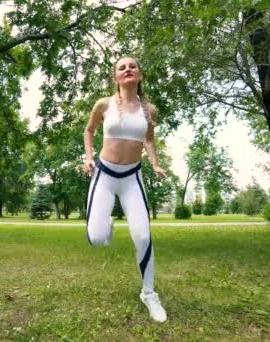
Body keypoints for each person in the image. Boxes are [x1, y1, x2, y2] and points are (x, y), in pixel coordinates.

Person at [83, 56, 168, 322]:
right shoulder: (104, 104)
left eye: (132, 66)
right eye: (122, 67)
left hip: (132, 178)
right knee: (97, 238)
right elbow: (89, 130)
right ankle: (106, 224)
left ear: (139, 74)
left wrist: (155, 164)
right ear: (115, 77)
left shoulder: (148, 110)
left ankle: (149, 293)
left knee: (143, 237)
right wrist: (88, 157)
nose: (127, 69)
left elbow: (150, 140)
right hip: (104, 176)